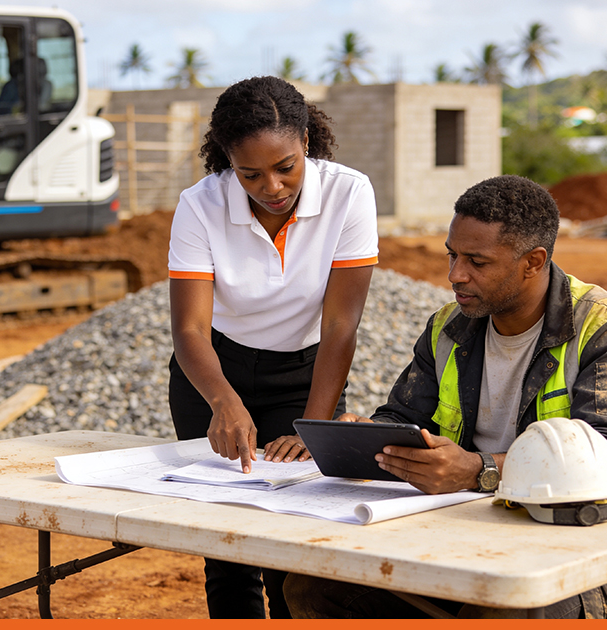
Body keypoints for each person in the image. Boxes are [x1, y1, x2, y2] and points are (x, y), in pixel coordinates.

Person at [283, 174, 607, 619]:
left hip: (592, 544)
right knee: (314, 588)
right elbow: (404, 416)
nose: (455, 275)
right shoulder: (449, 326)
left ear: (533, 262)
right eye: (452, 255)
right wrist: (371, 436)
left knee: (508, 609)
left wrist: (477, 470)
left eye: (476, 262)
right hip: (470, 528)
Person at [168, 75, 378, 619]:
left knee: (293, 536)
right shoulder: (200, 204)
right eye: (250, 174)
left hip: (306, 375)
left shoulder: (349, 193)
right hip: (214, 372)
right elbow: (189, 329)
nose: (272, 186)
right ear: (228, 162)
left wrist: (314, 425)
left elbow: (341, 325)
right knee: (226, 542)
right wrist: (223, 401)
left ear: (305, 141)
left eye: (285, 166)